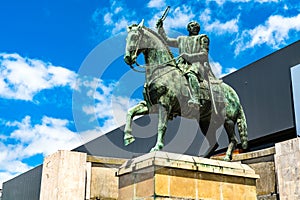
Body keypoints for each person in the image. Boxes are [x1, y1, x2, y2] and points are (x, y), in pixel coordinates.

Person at [156, 20, 216, 108]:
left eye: (196, 26)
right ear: (188, 28)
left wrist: (189, 56)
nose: (195, 27)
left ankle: (195, 98)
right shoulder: (181, 39)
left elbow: (204, 54)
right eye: (192, 25)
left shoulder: (203, 38)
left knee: (190, 74)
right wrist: (161, 29)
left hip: (196, 64)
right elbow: (167, 41)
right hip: (182, 65)